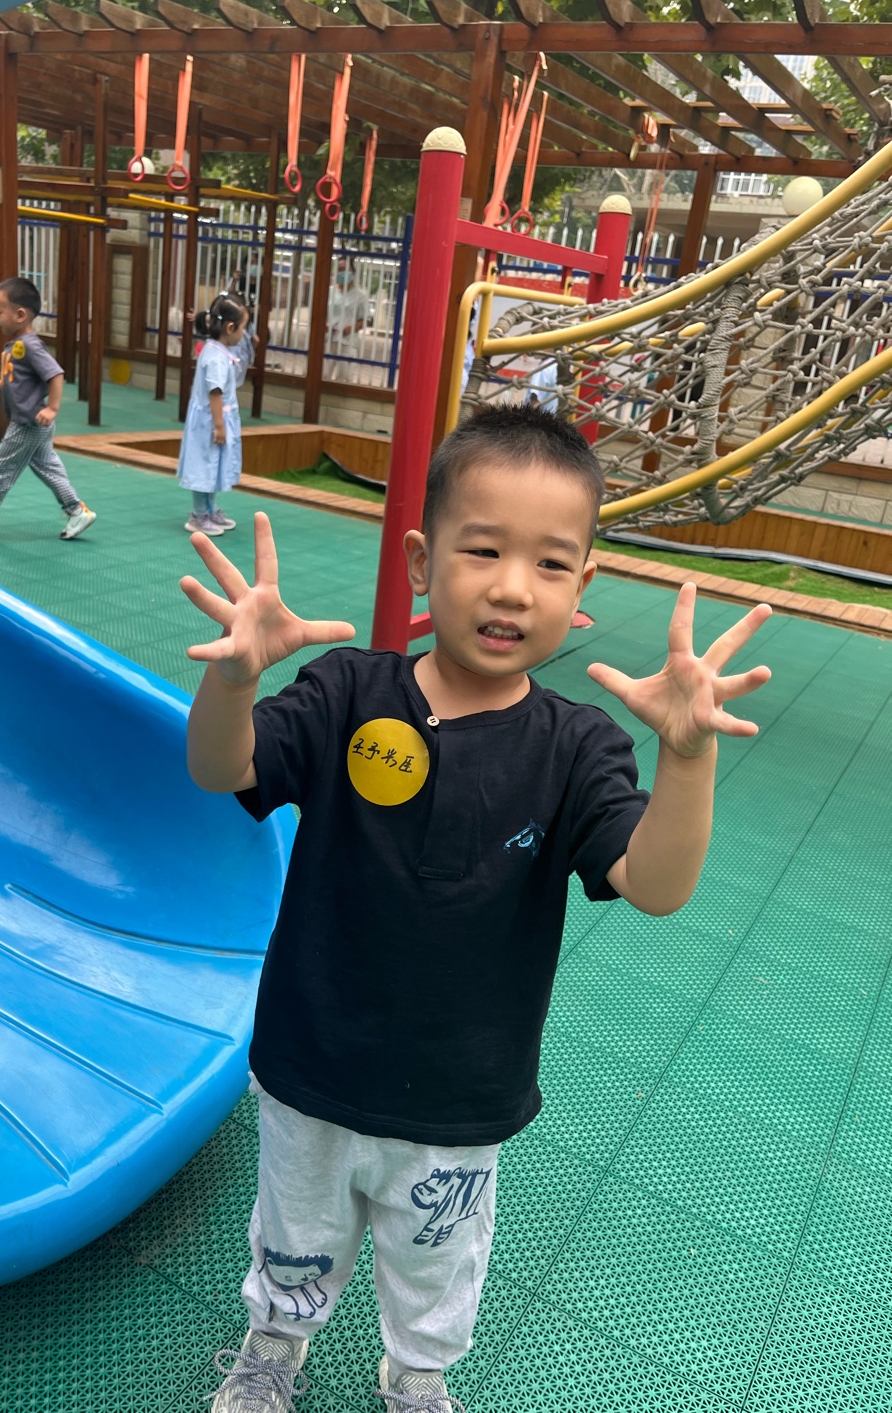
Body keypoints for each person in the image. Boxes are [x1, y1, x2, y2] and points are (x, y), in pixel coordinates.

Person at [179, 402, 773, 1413]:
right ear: (422, 562)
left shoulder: (577, 748)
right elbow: (219, 768)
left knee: (437, 1261)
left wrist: (687, 758)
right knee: (293, 1236)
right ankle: (274, 1342)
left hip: (461, 1093)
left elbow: (658, 886)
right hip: (314, 1059)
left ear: (581, 589)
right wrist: (236, 682)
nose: (511, 587)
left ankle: (417, 1371)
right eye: (484, 549)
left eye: (550, 563)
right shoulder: (346, 693)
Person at [0, 276, 96, 540]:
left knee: (3, 463)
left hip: (29, 421)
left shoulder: (29, 345)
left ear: (20, 315)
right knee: (48, 468)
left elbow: (56, 374)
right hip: (36, 424)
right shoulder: (17, 346)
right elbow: (9, 378)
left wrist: (52, 408)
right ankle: (77, 511)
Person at [179, 291, 249, 537]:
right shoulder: (217, 358)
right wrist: (219, 426)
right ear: (230, 327)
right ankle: (199, 515)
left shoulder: (216, 350)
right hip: (210, 422)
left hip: (214, 419)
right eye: (242, 328)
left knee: (213, 465)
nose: (243, 334)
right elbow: (215, 393)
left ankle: (209, 509)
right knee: (204, 466)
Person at [324, 253, 370, 383]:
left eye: (345, 269)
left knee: (345, 380)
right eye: (340, 270)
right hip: (329, 341)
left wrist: (352, 328)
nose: (342, 273)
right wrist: (325, 325)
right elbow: (321, 314)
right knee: (323, 377)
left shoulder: (360, 296)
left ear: (353, 272)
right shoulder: (329, 292)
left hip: (348, 343)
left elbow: (364, 320)